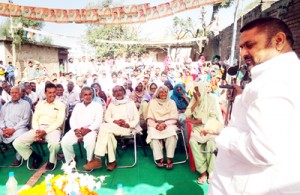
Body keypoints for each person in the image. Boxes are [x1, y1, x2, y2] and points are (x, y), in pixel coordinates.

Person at [209, 17, 300, 194]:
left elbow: (263, 150)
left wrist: (222, 130)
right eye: (242, 47)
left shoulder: (275, 81)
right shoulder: (285, 74)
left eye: (250, 45)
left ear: (278, 41)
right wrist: (244, 98)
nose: (243, 53)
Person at [83, 85, 141, 171]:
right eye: (115, 91)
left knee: (103, 127)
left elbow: (136, 118)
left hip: (126, 128)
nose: (118, 93)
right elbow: (107, 117)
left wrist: (128, 124)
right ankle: (112, 161)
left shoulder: (130, 103)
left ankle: (97, 158)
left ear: (124, 92)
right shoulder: (112, 104)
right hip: (113, 126)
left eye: (120, 90)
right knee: (108, 135)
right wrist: (115, 121)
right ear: (113, 94)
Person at [13, 83, 66, 170]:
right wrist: (38, 131)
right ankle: (36, 157)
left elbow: (59, 121)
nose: (52, 95)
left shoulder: (61, 105)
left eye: (54, 92)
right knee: (17, 143)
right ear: (45, 93)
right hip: (38, 128)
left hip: (53, 129)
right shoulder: (40, 104)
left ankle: (52, 160)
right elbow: (35, 119)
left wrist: (45, 132)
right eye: (50, 92)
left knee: (55, 144)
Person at [185, 82, 223, 184]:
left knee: (211, 144)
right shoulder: (194, 100)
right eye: (195, 90)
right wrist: (196, 102)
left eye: (198, 89)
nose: (197, 92)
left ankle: (211, 172)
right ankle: (202, 171)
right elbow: (187, 114)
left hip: (209, 126)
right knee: (193, 142)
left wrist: (198, 121)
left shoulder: (211, 99)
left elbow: (213, 116)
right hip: (197, 128)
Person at [61, 87, 103, 167]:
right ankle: (71, 159)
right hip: (77, 129)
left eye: (90, 94)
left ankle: (89, 160)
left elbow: (98, 121)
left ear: (93, 94)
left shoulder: (97, 106)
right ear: (81, 96)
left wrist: (88, 129)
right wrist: (76, 129)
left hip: (91, 130)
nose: (88, 96)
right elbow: (72, 119)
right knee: (65, 141)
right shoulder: (78, 106)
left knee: (90, 142)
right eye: (85, 94)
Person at [146, 85, 179, 170]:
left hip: (169, 124)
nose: (163, 93)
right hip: (155, 124)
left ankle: (169, 158)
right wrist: (156, 125)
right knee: (152, 133)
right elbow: (149, 118)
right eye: (161, 92)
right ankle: (159, 158)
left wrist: (165, 124)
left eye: (165, 92)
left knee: (171, 133)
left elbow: (174, 118)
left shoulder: (172, 102)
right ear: (157, 93)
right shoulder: (152, 102)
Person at [0, 87, 31, 166]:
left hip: (20, 128)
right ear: (10, 94)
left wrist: (13, 129)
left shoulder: (25, 104)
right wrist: (3, 129)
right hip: (5, 129)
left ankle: (18, 158)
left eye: (16, 92)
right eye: (12, 93)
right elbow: (1, 119)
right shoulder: (6, 105)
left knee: (19, 138)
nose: (14, 94)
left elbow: (25, 120)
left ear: (20, 94)